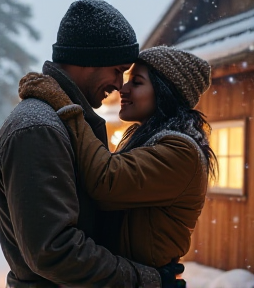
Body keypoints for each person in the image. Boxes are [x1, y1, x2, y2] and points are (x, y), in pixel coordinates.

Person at [0, 0, 183, 287]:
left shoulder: (62, 123)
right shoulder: (39, 129)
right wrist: (145, 280)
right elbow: (55, 251)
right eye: (118, 70)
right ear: (89, 58)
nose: (120, 85)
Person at [19, 46, 217, 277]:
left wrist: (66, 107)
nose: (122, 88)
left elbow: (105, 180)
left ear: (165, 93)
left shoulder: (181, 153)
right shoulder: (155, 144)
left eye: (137, 82)